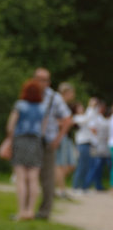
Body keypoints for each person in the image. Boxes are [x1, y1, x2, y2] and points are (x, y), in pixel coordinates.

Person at [32, 70, 72, 219]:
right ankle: (27, 210)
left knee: (47, 178)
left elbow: (68, 119)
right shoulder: (30, 94)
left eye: (43, 80)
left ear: (48, 82)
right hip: (30, 141)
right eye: (38, 79)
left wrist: (58, 139)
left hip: (47, 141)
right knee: (29, 176)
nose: (40, 82)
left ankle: (44, 212)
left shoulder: (54, 98)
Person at [6, 78, 47, 220]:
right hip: (35, 142)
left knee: (21, 178)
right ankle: (31, 211)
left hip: (21, 141)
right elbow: (43, 129)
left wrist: (10, 141)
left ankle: (21, 211)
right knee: (34, 178)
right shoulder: (42, 107)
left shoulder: (20, 105)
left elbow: (11, 126)